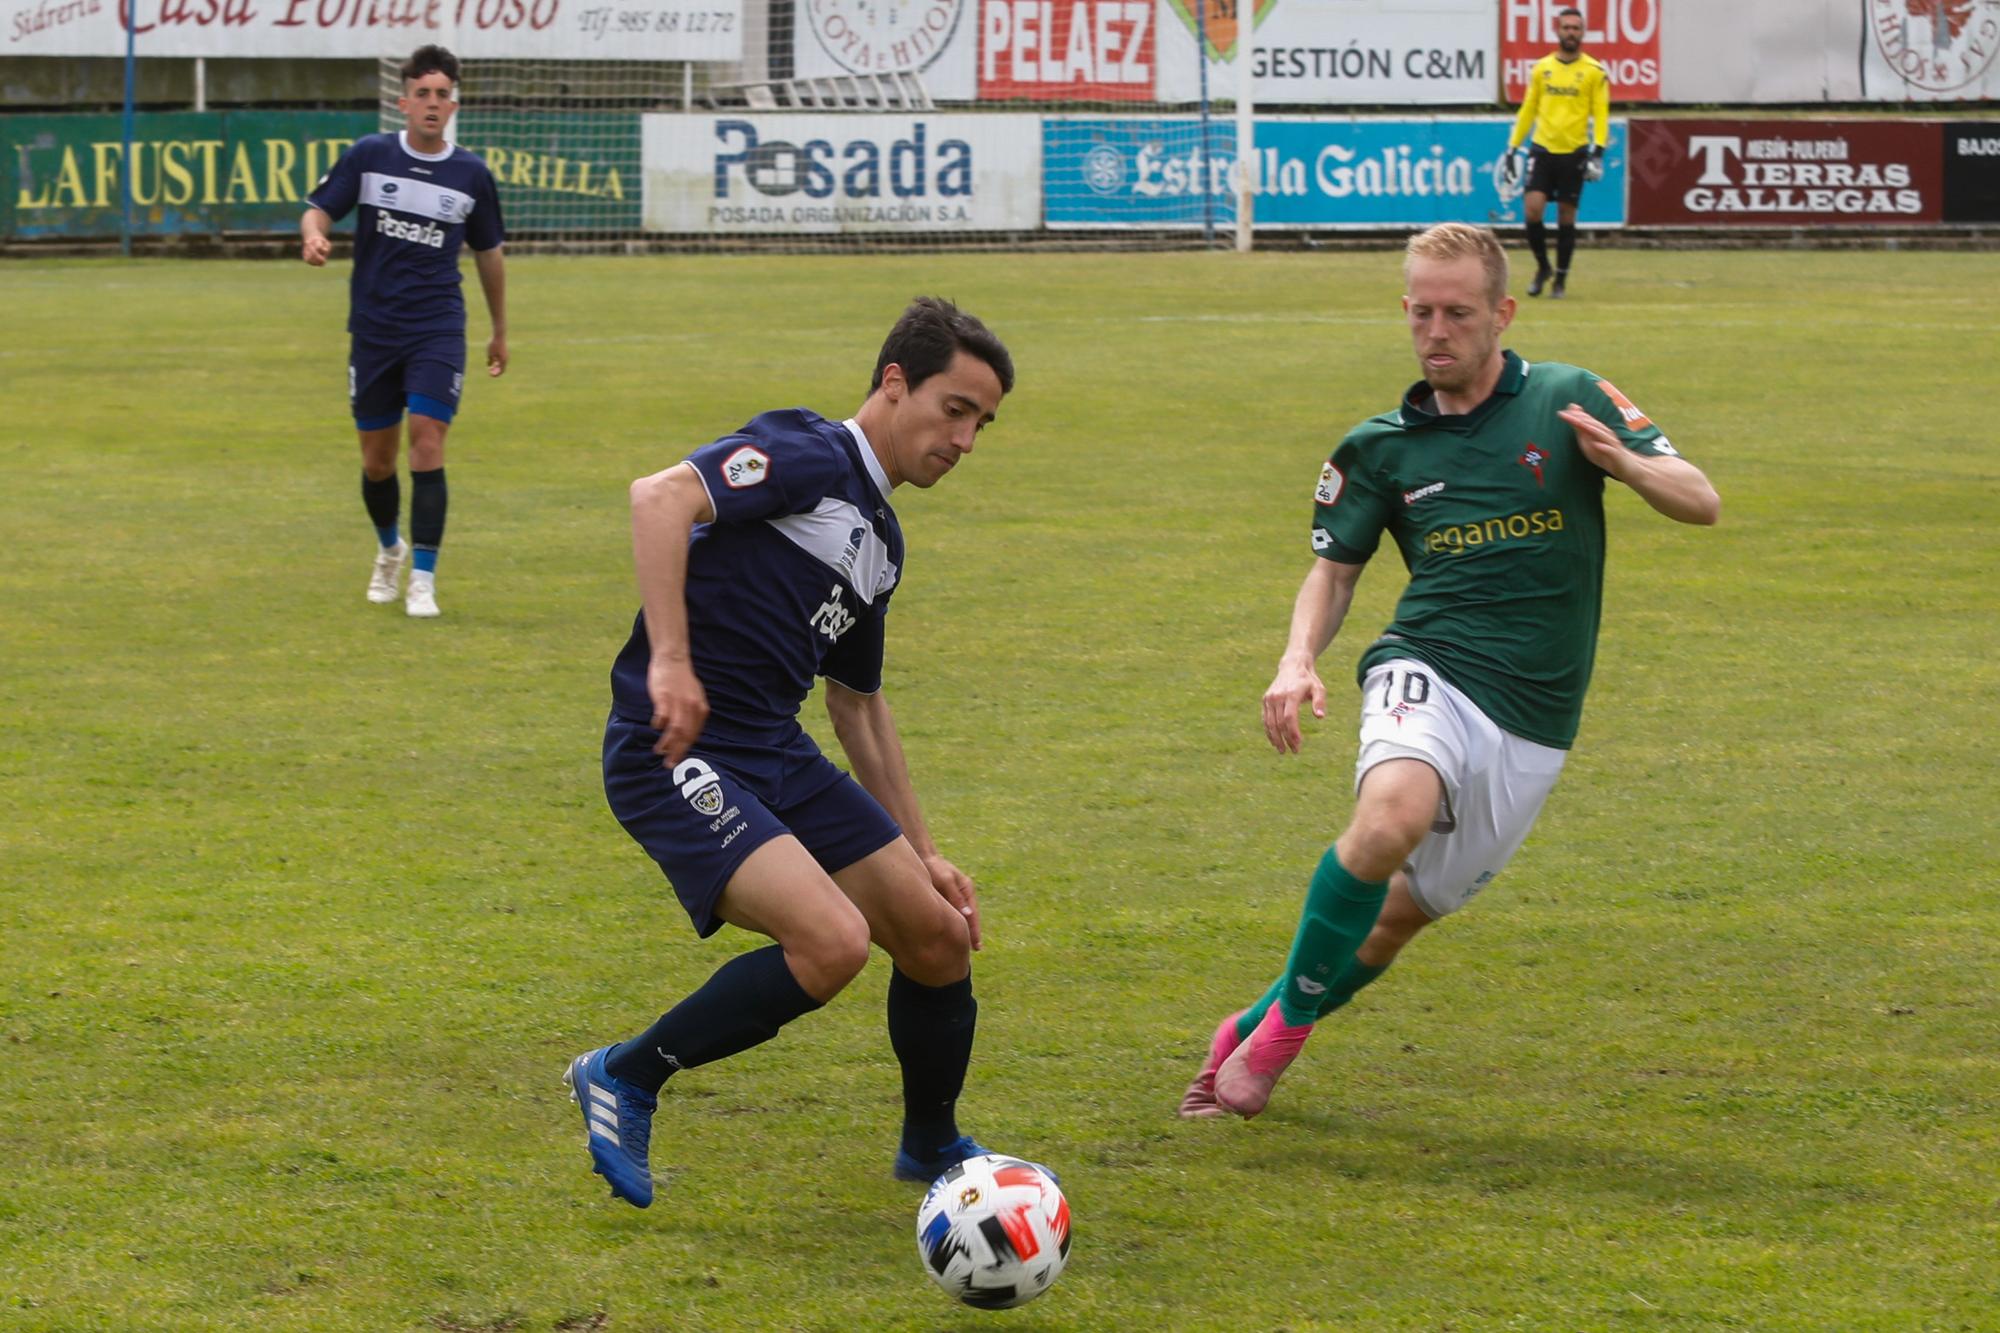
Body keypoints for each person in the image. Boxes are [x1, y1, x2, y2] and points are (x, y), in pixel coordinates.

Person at [1178, 223, 1719, 1121]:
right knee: (1391, 817)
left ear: (1501, 313)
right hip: (1426, 663)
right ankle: (1281, 1040)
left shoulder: (1567, 397)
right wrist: (1296, 657)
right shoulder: (1378, 447)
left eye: (1458, 312)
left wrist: (1624, 463)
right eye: (1422, 311)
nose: (1438, 330)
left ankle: (1256, 1018)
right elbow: (1335, 569)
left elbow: (1700, 499)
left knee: (1395, 918)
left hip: (1537, 714)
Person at [566, 298, 1020, 1209]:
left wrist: (925, 851)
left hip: (774, 749)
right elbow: (659, 497)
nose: (965, 438)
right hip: (676, 748)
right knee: (832, 942)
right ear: (895, 384)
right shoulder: (810, 452)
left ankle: (931, 1142)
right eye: (955, 408)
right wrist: (672, 661)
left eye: (983, 422)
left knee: (937, 936)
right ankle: (623, 1074)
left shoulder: (882, 543)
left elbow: (857, 707)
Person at [301, 44, 507, 618]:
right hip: (374, 330)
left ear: (454, 103)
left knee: (427, 438)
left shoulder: (470, 173)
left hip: (438, 326)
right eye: (423, 94)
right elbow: (318, 209)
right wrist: (313, 235)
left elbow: (490, 255)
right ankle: (389, 547)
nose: (433, 104)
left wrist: (499, 330)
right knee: (377, 462)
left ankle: (423, 577)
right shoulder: (369, 156)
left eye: (443, 95)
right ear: (404, 102)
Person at [1502, 7, 1610, 299]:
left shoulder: (1594, 71)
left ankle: (1560, 280)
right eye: (1566, 27)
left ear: (1583, 33)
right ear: (1557, 31)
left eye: (1576, 28)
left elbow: (1601, 113)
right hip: (1542, 148)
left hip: (1574, 151)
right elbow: (1528, 109)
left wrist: (1597, 150)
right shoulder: (1541, 68)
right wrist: (1513, 147)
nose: (1571, 33)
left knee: (1566, 216)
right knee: (1532, 209)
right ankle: (1542, 267)